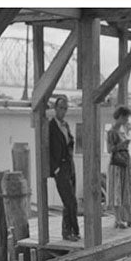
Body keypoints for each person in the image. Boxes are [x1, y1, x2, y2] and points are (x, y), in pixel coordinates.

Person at [47, 95, 80, 241]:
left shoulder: (65, 125)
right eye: (60, 108)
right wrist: (55, 168)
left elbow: (69, 143)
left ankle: (70, 231)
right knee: (69, 201)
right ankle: (70, 232)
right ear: (55, 109)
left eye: (65, 108)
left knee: (71, 201)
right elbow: (47, 149)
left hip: (69, 165)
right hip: (60, 167)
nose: (63, 111)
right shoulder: (50, 126)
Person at [106, 105, 131, 229]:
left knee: (126, 190)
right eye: (125, 118)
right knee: (117, 190)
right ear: (120, 117)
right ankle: (118, 219)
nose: (126, 120)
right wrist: (121, 146)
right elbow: (110, 149)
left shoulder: (123, 130)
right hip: (116, 164)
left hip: (125, 163)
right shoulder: (112, 131)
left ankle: (129, 217)